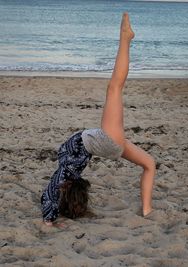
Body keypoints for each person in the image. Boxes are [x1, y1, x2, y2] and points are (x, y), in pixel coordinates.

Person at [41, 13, 156, 227]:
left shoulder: (69, 171)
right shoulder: (66, 172)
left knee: (149, 164)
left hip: (110, 144)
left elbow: (52, 193)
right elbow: (51, 191)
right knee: (114, 87)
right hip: (106, 140)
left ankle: (147, 210)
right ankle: (125, 38)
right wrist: (49, 220)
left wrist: (52, 216)